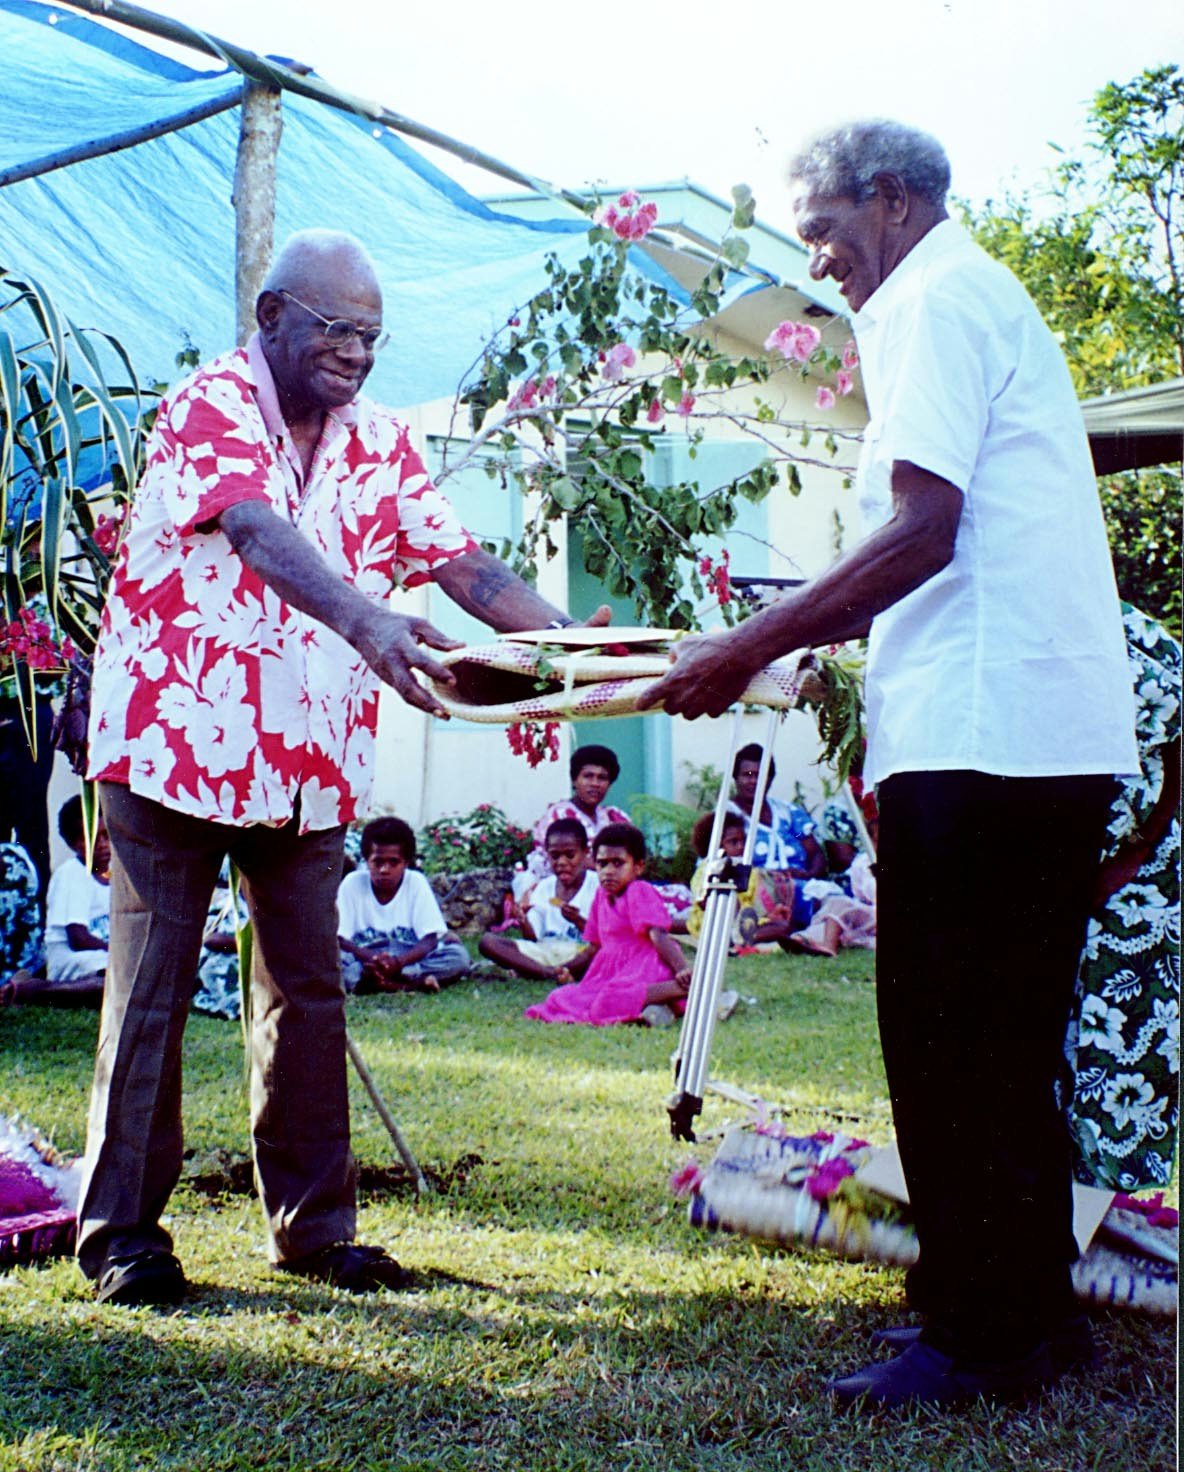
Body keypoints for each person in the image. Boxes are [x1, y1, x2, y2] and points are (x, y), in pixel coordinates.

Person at [640, 120, 1137, 1408]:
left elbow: (920, 533)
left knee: (942, 1037)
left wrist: (738, 643)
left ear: (892, 198)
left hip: (983, 735)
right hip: (1037, 732)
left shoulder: (927, 296)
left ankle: (976, 1335)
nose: (820, 260)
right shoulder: (974, 291)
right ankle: (1028, 1314)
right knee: (1004, 1038)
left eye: (824, 228)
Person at [76, 229, 608, 1307]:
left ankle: (315, 1230)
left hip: (307, 757)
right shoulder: (209, 404)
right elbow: (260, 532)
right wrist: (368, 618)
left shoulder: (380, 443)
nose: (355, 352)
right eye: (333, 328)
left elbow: (462, 562)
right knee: (152, 991)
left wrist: (574, 655)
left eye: (370, 334)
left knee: (307, 993)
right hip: (174, 746)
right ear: (271, 316)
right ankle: (122, 1235)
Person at [1065, 604, 1180, 1193]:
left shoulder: (1142, 639)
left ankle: (1111, 1201)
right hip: (1051, 870)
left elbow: (1177, 753)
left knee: (1120, 1040)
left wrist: (1132, 856)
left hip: (1137, 879)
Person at [524, 823, 691, 1027]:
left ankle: (685, 988)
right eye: (602, 864)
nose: (608, 872)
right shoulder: (601, 896)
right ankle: (656, 1006)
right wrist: (566, 969)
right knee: (560, 997)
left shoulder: (639, 890)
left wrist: (682, 968)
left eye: (618, 863)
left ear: (638, 866)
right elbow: (594, 947)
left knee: (608, 999)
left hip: (645, 965)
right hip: (610, 972)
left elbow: (658, 934)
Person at [337, 816, 469, 993]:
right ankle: (409, 984)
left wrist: (398, 963)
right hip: (365, 957)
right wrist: (375, 959)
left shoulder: (416, 882)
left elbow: (429, 939)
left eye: (393, 862)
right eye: (378, 862)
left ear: (406, 862)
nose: (385, 870)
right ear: (367, 860)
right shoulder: (352, 883)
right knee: (331, 960)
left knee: (457, 957)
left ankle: (377, 983)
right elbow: (340, 939)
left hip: (407, 956)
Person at [6, 797, 110, 1008]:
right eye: (91, 839)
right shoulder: (72, 874)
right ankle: (35, 991)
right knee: (116, 980)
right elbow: (78, 939)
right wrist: (118, 952)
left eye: (106, 836)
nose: (102, 845)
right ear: (73, 843)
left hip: (102, 956)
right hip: (70, 958)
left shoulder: (117, 876)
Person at [478, 817, 597, 980]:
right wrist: (523, 921)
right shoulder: (544, 887)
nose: (561, 862)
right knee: (488, 942)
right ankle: (549, 973)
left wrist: (578, 921)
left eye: (570, 855)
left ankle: (545, 971)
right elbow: (533, 938)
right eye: (555, 856)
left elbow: (603, 937)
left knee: (599, 950)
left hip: (579, 952)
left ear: (585, 853)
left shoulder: (597, 886)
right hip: (545, 950)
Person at [516, 744, 630, 896]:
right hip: (561, 893)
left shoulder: (615, 817)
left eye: (602, 778)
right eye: (588, 776)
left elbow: (632, 861)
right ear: (575, 780)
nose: (595, 784)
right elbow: (548, 866)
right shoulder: (559, 816)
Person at [686, 811, 800, 951]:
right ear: (715, 845)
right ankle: (733, 939)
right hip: (713, 924)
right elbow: (703, 901)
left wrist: (770, 916)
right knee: (729, 900)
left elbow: (751, 904)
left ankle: (740, 939)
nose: (741, 846)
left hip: (743, 923)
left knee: (782, 926)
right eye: (733, 842)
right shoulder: (707, 869)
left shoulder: (747, 870)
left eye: (743, 841)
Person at [728, 745, 827, 881]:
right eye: (747, 775)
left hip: (802, 888)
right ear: (736, 778)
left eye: (761, 775)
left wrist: (808, 875)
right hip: (753, 894)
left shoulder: (788, 813)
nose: (754, 781)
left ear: (771, 778)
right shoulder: (725, 817)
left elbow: (813, 851)